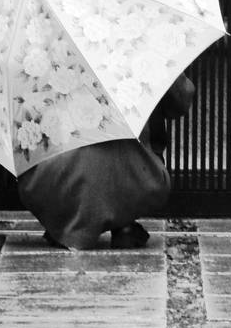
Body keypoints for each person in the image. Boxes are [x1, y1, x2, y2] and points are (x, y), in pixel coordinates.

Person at [17, 73, 195, 250]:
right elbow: (180, 102)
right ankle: (123, 222)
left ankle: (65, 220)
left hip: (48, 180)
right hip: (141, 176)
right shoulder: (139, 49)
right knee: (135, 123)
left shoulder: (45, 50)